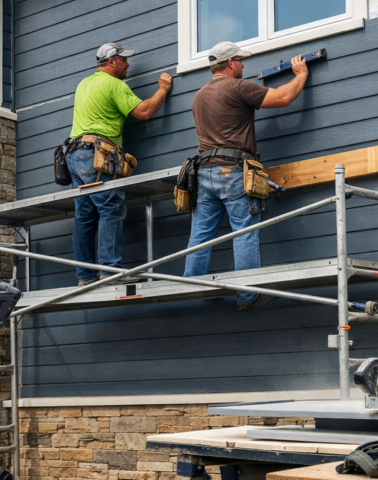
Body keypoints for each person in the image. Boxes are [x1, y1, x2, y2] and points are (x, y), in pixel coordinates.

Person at [182, 41, 309, 309]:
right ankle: (248, 295)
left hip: (203, 172)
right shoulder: (239, 86)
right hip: (232, 170)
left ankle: (191, 289)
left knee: (201, 234)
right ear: (230, 63)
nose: (243, 65)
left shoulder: (198, 96)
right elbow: (283, 98)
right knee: (244, 231)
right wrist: (300, 75)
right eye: (240, 61)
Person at [67, 42, 172, 285]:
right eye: (124, 59)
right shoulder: (114, 84)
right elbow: (144, 111)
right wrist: (162, 90)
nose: (128, 63)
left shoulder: (84, 83)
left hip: (74, 154)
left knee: (84, 215)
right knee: (110, 207)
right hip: (95, 155)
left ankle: (85, 276)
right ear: (112, 61)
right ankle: (110, 271)